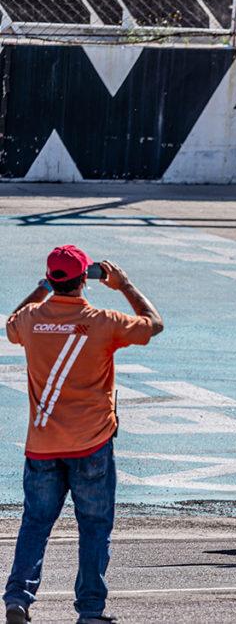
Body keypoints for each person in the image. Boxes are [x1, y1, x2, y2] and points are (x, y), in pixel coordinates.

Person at [4, 246, 164, 624]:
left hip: (42, 446)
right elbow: (153, 323)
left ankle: (18, 598)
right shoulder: (102, 321)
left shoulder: (30, 319)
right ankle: (90, 610)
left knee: (35, 525)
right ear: (84, 280)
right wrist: (124, 285)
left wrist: (43, 288)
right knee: (94, 527)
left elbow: (11, 322)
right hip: (91, 444)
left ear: (51, 278)